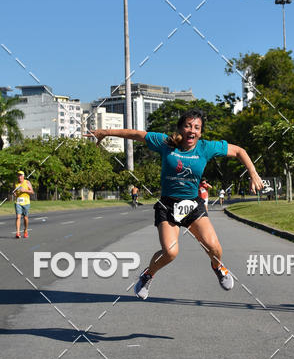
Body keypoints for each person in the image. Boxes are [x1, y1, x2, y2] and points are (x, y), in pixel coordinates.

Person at [93, 109, 264, 300]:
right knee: (170, 252)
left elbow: (239, 151)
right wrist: (105, 132)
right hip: (168, 206)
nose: (192, 131)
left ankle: (217, 267)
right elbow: (135, 134)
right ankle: (148, 275)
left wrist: (253, 173)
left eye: (197, 127)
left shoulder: (206, 148)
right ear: (181, 128)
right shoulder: (165, 143)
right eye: (188, 126)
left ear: (200, 132)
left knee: (215, 248)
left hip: (192, 205)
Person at [13, 170, 34, 238]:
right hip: (18, 202)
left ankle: (25, 230)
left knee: (25, 218)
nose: (19, 177)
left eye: (20, 175)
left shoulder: (27, 182)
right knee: (18, 217)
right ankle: (18, 233)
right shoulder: (15, 183)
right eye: (18, 175)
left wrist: (25, 190)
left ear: (23, 176)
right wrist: (14, 194)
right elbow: (14, 192)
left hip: (26, 202)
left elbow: (32, 192)